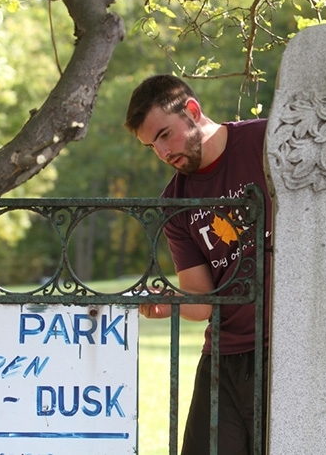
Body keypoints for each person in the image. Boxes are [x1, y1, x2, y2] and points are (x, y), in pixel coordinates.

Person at [123, 74, 272, 455]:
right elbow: (203, 300)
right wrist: (168, 301)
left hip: (284, 348)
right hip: (223, 358)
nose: (161, 151)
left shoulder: (265, 142)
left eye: (163, 135)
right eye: (149, 145)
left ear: (192, 111)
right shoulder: (175, 203)